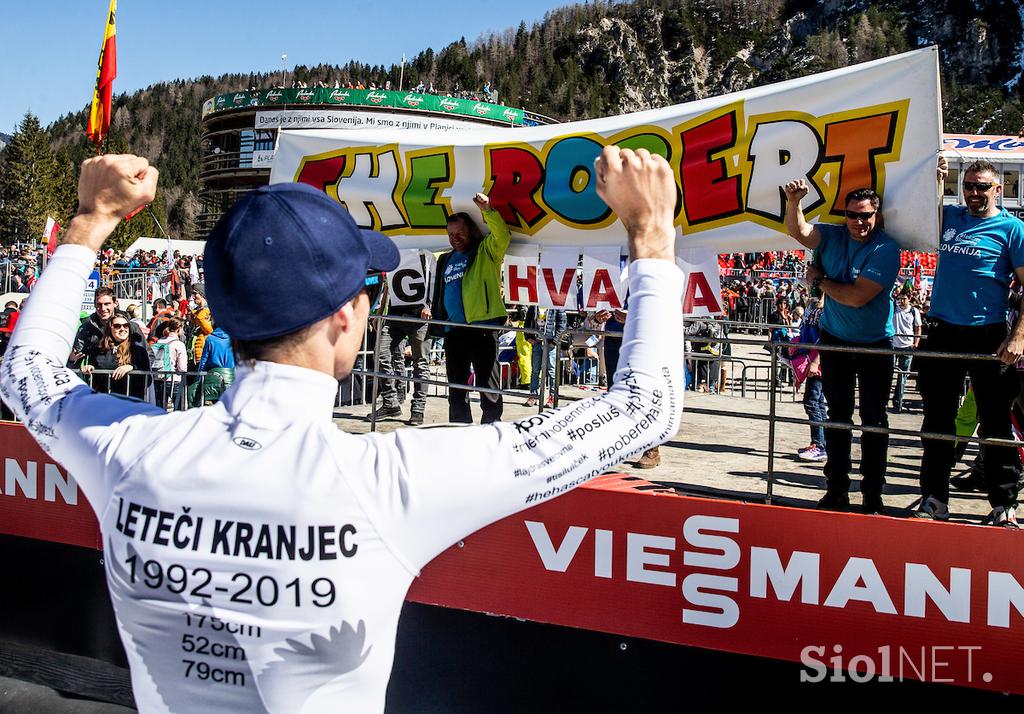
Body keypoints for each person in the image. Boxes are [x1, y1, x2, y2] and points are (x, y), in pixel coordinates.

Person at [0, 150, 682, 712]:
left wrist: (93, 220)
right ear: (346, 318)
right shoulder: (385, 483)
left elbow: (26, 372)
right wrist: (651, 237)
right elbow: (644, 410)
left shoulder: (129, 451)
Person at [916, 158, 1024, 526]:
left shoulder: (1012, 229)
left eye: (982, 186)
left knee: (995, 424)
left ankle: (1004, 503)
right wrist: (936, 177)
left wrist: (1017, 337)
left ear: (998, 189)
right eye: (969, 186)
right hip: (943, 330)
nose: (975, 193)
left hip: (989, 333)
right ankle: (933, 499)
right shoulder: (951, 217)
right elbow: (916, 210)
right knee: (937, 421)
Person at [783, 180, 900, 514]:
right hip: (835, 341)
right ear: (844, 215)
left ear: (877, 215)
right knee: (838, 419)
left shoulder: (886, 248)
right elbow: (799, 231)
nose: (859, 222)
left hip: (876, 343)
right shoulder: (833, 235)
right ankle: (836, 489)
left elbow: (856, 297)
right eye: (853, 215)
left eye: (866, 216)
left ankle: (872, 493)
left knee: (874, 420)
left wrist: (819, 281)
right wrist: (793, 201)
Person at [428, 194, 511, 423]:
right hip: (453, 330)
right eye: (450, 235)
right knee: (455, 388)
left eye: (459, 233)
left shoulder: (486, 251)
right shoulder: (445, 259)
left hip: (483, 328)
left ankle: (492, 430)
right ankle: (459, 430)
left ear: (472, 230)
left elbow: (502, 236)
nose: (455, 239)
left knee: (488, 386)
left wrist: (488, 210)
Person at [367, 252, 434, 425]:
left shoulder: (426, 252)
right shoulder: (394, 252)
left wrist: (429, 305)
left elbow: (434, 278)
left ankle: (418, 409)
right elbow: (388, 284)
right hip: (395, 315)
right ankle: (390, 402)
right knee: (379, 355)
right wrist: (380, 312)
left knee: (421, 362)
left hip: (420, 316)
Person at [80, 315, 151, 400]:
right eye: (117, 326)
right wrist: (89, 368)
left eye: (126, 325)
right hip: (105, 400)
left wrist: (132, 368)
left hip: (130, 401)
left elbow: (148, 380)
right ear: (110, 329)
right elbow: (94, 377)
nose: (122, 329)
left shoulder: (139, 351)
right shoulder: (98, 350)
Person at [890, 290, 921, 413]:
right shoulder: (894, 309)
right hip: (893, 345)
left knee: (902, 376)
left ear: (909, 299)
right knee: (888, 373)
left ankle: (898, 401)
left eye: (904, 299)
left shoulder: (914, 311)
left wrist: (916, 342)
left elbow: (918, 327)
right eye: (900, 299)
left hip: (907, 345)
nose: (901, 301)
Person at [150, 317, 188, 410]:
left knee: (159, 409)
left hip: (158, 377)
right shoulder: (179, 344)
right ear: (179, 328)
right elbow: (182, 367)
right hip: (174, 379)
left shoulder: (160, 341)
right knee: (178, 410)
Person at [196, 321, 234, 404]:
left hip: (213, 379)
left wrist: (199, 380)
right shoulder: (234, 338)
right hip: (230, 378)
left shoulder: (210, 338)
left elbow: (204, 361)